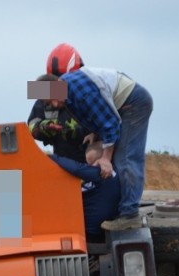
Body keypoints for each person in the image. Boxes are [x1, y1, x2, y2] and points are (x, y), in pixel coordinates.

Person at [42, 66, 154, 231]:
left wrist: (105, 159)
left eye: (52, 98)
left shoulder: (82, 92)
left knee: (126, 157)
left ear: (58, 83)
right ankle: (123, 207)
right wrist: (95, 132)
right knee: (105, 153)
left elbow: (111, 124)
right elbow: (94, 114)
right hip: (118, 107)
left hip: (133, 103)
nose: (54, 104)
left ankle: (129, 215)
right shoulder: (65, 90)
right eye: (48, 103)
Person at [27, 43, 91, 162]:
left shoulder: (87, 92)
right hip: (62, 162)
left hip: (91, 159)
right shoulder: (44, 90)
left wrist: (71, 129)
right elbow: (31, 124)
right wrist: (44, 127)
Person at [49, 140, 121, 242]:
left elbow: (76, 169)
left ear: (103, 159)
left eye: (93, 162)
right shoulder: (113, 173)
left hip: (90, 233)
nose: (90, 166)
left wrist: (52, 157)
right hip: (97, 230)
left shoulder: (104, 173)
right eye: (88, 163)